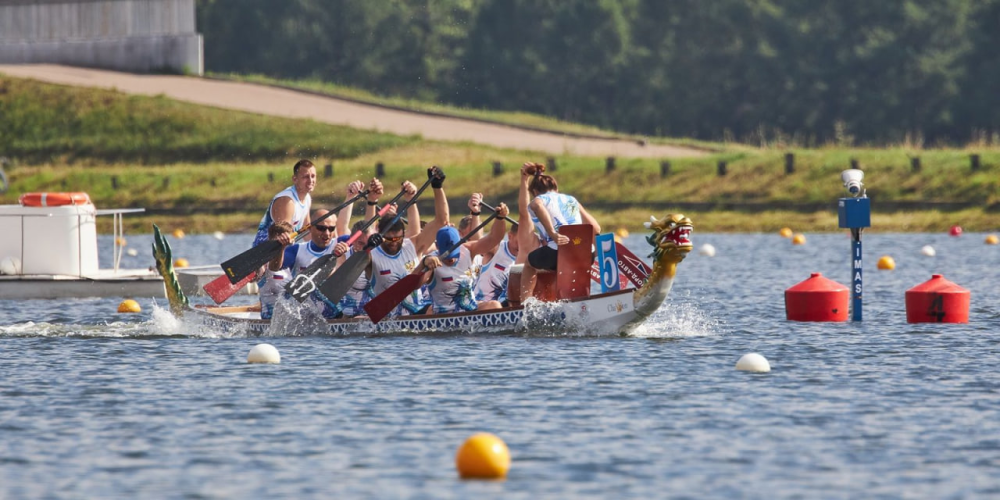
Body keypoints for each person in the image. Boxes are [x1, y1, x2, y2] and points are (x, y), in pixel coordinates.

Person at [368, 168, 450, 316]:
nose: (393, 242)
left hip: (417, 316)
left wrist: (437, 187)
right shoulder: (371, 255)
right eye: (388, 239)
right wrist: (372, 201)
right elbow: (366, 234)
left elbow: (441, 221)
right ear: (380, 234)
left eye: (397, 239)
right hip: (385, 317)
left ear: (403, 235)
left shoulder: (412, 245)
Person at [518, 162, 600, 301]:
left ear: (535, 192)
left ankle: (524, 306)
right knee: (560, 266)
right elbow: (596, 228)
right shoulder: (572, 199)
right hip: (586, 254)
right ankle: (566, 301)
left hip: (557, 252)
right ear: (556, 188)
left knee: (528, 263)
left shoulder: (538, 199)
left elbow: (537, 205)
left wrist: (553, 234)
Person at [415, 203, 510, 314]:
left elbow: (494, 238)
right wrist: (423, 264)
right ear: (437, 247)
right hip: (444, 315)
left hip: (470, 310)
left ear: (459, 243)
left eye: (454, 254)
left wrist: (500, 218)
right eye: (447, 256)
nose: (451, 259)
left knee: (495, 305)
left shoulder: (468, 249)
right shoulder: (431, 261)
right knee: (429, 311)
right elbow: (415, 285)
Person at [274, 208, 350, 319]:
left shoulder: (343, 242)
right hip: (305, 317)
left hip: (336, 314)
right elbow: (274, 267)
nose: (327, 233)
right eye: (321, 228)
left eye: (331, 229)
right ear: (310, 228)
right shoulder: (296, 250)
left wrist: (372, 202)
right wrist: (281, 249)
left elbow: (366, 237)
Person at [252, 159, 317, 248]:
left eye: (313, 176)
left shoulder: (307, 198)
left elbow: (307, 231)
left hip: (283, 249)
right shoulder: (287, 201)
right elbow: (283, 235)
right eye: (305, 177)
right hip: (265, 252)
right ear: (295, 179)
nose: (310, 180)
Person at [473, 221, 520, 306]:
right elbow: (477, 241)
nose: (522, 246)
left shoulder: (527, 257)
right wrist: (476, 214)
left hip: (505, 306)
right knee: (496, 305)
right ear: (510, 236)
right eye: (519, 241)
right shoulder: (497, 248)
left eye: (526, 242)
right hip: (481, 305)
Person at [258, 221, 294, 319]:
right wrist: (280, 247)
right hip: (270, 319)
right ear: (270, 240)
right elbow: (274, 267)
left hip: (292, 317)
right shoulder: (263, 263)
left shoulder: (295, 259)